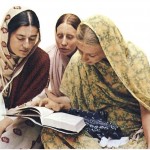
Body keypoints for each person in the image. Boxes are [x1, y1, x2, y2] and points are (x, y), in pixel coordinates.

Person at [40, 15, 150, 149]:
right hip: (93, 128)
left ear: (108, 49)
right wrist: (58, 105)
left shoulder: (134, 61)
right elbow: (78, 102)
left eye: (91, 55)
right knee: (49, 133)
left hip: (130, 132)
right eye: (80, 51)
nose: (84, 59)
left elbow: (146, 107)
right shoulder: (78, 62)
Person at [0, 6, 50, 148]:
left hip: (20, 120)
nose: (27, 45)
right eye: (20, 38)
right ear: (6, 33)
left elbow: (35, 101)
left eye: (32, 38)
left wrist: (8, 119)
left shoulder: (40, 60)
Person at [32, 13, 81, 110]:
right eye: (59, 36)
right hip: (54, 110)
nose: (63, 43)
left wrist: (55, 99)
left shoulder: (87, 58)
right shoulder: (48, 55)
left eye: (69, 37)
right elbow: (39, 90)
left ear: (79, 37)